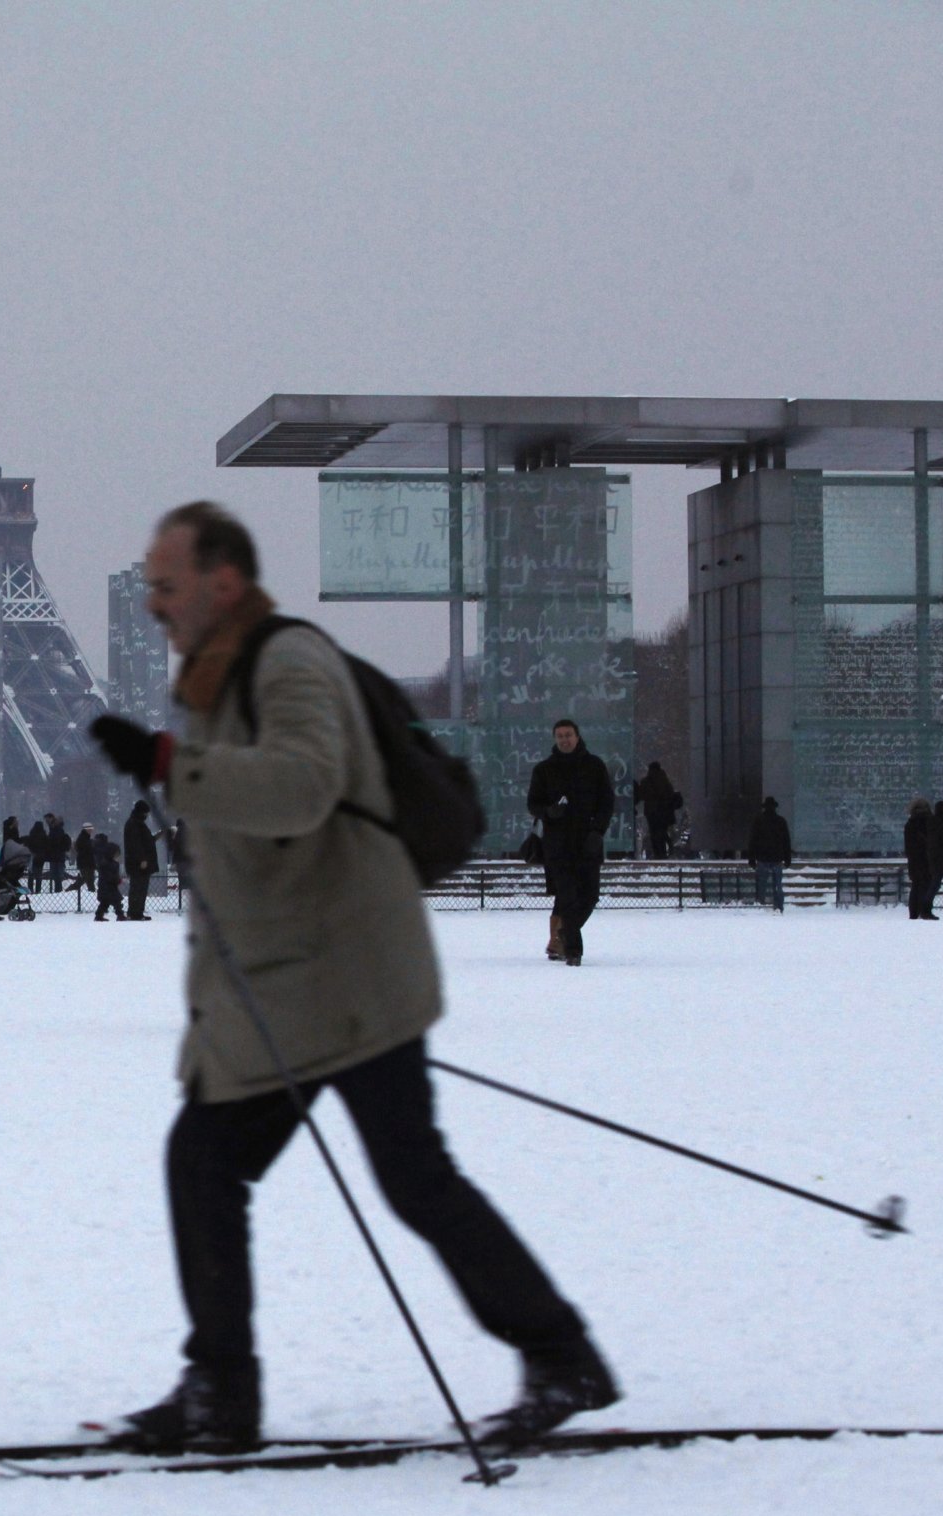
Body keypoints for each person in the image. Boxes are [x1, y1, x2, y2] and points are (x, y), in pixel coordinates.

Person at [85, 499, 613, 1454]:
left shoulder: (287, 662)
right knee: (231, 1166)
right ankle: (227, 1391)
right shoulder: (218, 682)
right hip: (290, 989)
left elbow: (301, 784)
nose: (156, 604)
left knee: (380, 1178)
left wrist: (169, 763)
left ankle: (553, 1354)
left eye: (168, 585)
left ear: (225, 583)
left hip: (346, 982)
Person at [526, 719, 613, 966]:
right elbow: (533, 804)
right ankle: (573, 950)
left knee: (590, 895)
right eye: (560, 736)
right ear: (555, 739)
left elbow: (607, 802)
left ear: (577, 736)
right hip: (557, 845)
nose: (565, 739)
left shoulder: (594, 766)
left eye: (569, 735)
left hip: (588, 841)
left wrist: (598, 831)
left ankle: (564, 934)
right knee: (567, 897)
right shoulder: (544, 770)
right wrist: (548, 811)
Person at [744, 796, 791, 911]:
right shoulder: (781, 821)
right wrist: (787, 858)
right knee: (777, 886)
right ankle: (778, 906)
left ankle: (761, 905)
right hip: (777, 858)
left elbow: (753, 840)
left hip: (763, 858)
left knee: (762, 885)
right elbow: (786, 841)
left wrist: (751, 858)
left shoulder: (759, 821)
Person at [633, 762, 682, 860]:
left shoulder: (646, 781)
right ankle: (664, 851)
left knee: (654, 833)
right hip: (664, 811)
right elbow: (670, 795)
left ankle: (657, 853)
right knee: (662, 832)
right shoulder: (665, 781)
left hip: (651, 811)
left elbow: (641, 795)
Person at [123, 798, 161, 920]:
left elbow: (143, 841)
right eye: (146, 813)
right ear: (141, 812)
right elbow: (136, 844)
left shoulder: (135, 823)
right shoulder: (135, 824)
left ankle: (137, 912)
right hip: (138, 864)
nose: (147, 815)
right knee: (138, 887)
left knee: (140, 887)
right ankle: (135, 913)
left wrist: (156, 837)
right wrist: (142, 859)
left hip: (137, 862)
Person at [901, 798, 935, 919]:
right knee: (926, 885)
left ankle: (914, 912)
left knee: (916, 885)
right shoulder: (929, 822)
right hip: (926, 859)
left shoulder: (910, 824)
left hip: (914, 860)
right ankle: (924, 910)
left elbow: (908, 845)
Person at [91, 828, 125, 921]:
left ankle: (99, 915)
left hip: (105, 886)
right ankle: (120, 915)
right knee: (116, 901)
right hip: (109, 886)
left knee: (105, 902)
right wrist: (117, 880)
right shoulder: (109, 864)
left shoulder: (106, 863)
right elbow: (109, 876)